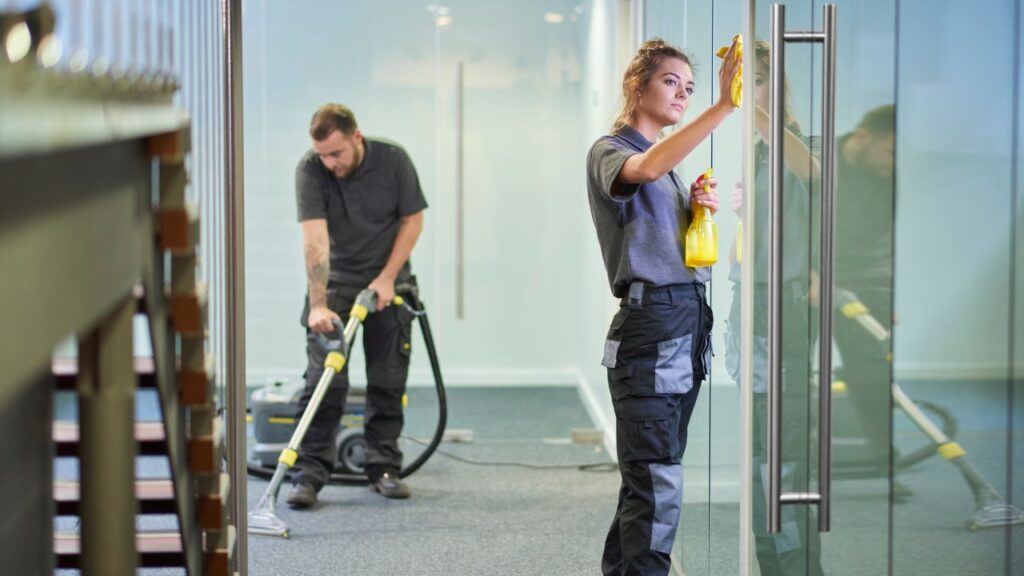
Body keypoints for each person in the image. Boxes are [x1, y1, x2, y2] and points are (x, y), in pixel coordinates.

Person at [586, 37, 739, 576]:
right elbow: (644, 171)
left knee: (650, 477)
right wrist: (721, 108)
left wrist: (695, 210)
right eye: (671, 82)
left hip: (683, 323)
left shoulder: (667, 168)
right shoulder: (613, 150)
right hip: (652, 327)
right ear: (638, 86)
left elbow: (663, 210)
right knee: (657, 477)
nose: (682, 94)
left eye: (690, 88)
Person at [287, 103, 427, 508]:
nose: (330, 163)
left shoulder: (394, 161)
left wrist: (386, 278)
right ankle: (308, 473)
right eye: (323, 155)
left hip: (390, 279)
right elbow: (315, 242)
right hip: (336, 284)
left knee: (387, 378)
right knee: (325, 381)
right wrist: (318, 305)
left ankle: (383, 465)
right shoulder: (310, 170)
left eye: (337, 153)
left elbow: (412, 221)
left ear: (357, 138)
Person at [722, 39, 825, 576]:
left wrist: (748, 103)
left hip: (781, 313)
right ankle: (773, 562)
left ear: (777, 86)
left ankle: (795, 564)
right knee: (763, 446)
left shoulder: (796, 144)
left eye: (759, 78)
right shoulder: (759, 152)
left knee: (781, 447)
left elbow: (809, 172)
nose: (749, 89)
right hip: (752, 307)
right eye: (746, 78)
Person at [832, 104, 896, 477]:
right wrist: (812, 275)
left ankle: (884, 462)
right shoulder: (821, 162)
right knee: (791, 366)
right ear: (862, 137)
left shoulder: (890, 174)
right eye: (888, 151)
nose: (893, 161)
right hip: (815, 276)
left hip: (870, 277)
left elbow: (889, 237)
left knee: (872, 370)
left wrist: (888, 294)